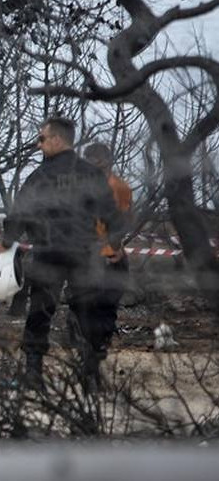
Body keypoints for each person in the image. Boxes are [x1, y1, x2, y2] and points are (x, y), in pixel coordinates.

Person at [0, 118, 125, 392]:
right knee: (87, 313)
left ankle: (33, 374)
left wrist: (6, 242)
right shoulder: (90, 174)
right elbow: (110, 213)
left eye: (42, 139)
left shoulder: (40, 176)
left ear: (58, 139)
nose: (39, 143)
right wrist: (114, 243)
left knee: (40, 313)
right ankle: (90, 376)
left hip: (48, 253)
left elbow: (20, 212)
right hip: (84, 254)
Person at [83, 142, 133, 356]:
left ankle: (98, 342)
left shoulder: (118, 188)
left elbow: (123, 220)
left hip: (106, 253)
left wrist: (116, 246)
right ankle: (95, 343)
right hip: (91, 254)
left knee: (105, 301)